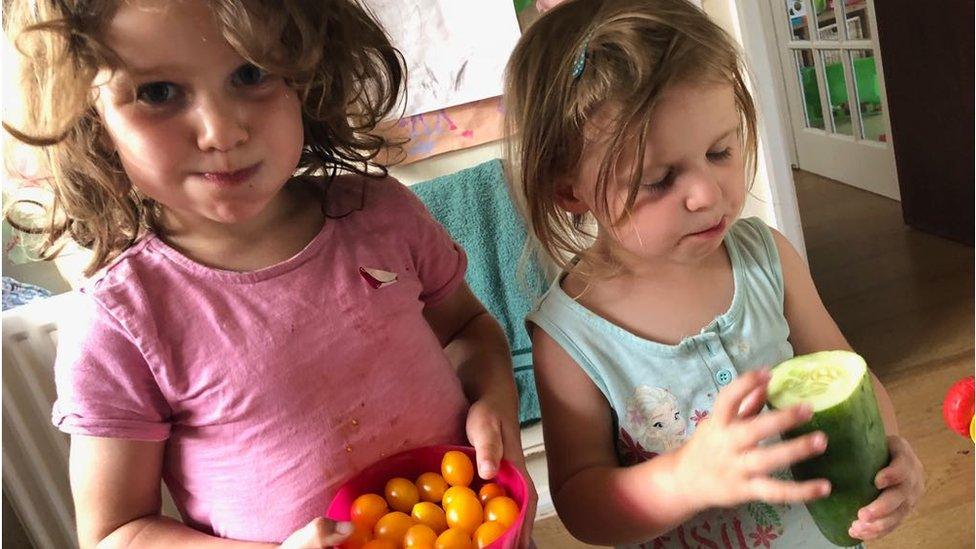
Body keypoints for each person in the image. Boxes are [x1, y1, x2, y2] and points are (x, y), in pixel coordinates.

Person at [4, 1, 534, 547]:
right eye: (157, 92)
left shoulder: (382, 214)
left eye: (251, 74)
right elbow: (117, 532)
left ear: (308, 78)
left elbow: (469, 327)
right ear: (89, 121)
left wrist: (495, 399)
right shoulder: (120, 319)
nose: (222, 131)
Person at [502, 0, 923, 547]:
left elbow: (855, 381)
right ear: (569, 191)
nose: (707, 194)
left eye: (720, 151)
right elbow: (583, 506)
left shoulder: (767, 258)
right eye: (658, 180)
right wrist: (685, 480)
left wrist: (890, 456)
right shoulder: (571, 335)